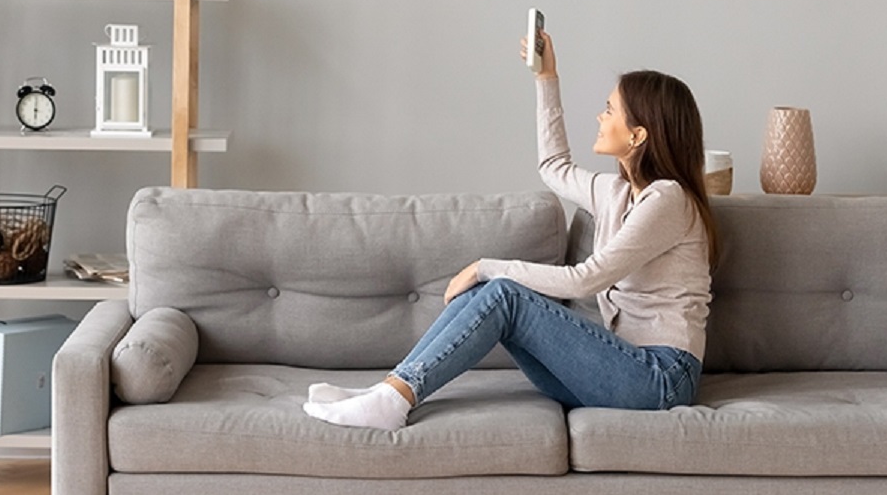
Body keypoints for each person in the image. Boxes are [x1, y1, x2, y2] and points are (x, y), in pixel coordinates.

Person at [303, 30, 717, 430]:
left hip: (660, 379)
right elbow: (553, 167)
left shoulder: (668, 200)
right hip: (619, 368)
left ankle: (392, 399)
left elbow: (586, 278)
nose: (600, 115)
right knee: (489, 292)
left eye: (610, 110)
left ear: (638, 135)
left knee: (503, 291)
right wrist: (546, 78)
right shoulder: (616, 193)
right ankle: (390, 390)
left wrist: (485, 265)